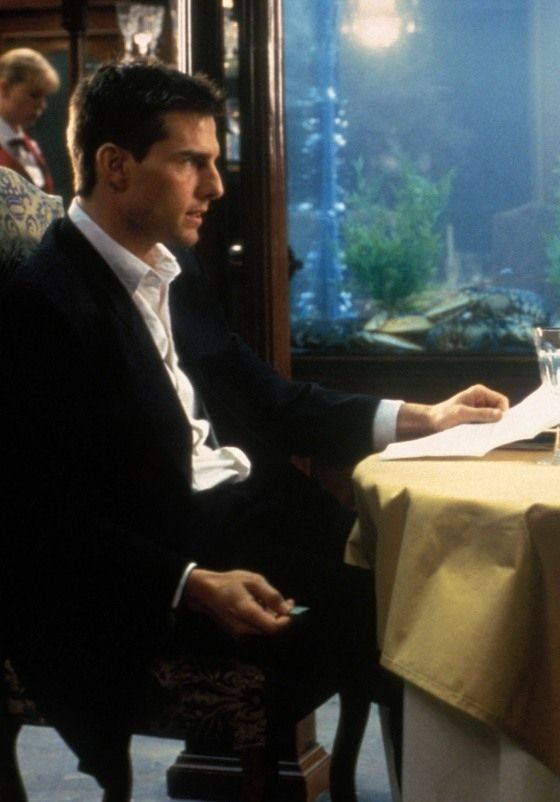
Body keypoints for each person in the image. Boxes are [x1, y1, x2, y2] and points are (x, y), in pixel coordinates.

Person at [0, 60, 508, 800]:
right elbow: (39, 514)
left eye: (214, 163)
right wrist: (192, 584)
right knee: (422, 624)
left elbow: (270, 399)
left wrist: (421, 418)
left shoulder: (170, 268)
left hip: (249, 519)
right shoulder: (42, 305)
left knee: (446, 582)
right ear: (116, 166)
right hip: (155, 575)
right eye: (191, 162)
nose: (215, 187)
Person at [0, 47, 59, 193]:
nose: (42, 105)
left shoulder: (30, 145)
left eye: (44, 96)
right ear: (4, 88)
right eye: (34, 95)